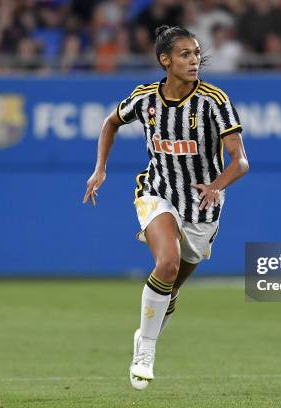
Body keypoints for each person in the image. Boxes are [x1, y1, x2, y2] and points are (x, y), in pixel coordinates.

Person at [82, 25, 249, 390]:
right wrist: (100, 169)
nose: (193, 61)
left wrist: (216, 186)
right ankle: (146, 351)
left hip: (202, 208)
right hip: (157, 192)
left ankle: (144, 334)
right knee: (167, 263)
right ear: (165, 60)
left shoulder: (213, 101)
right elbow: (111, 122)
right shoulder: (145, 99)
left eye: (196, 54)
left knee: (171, 288)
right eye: (185, 54)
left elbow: (240, 162)